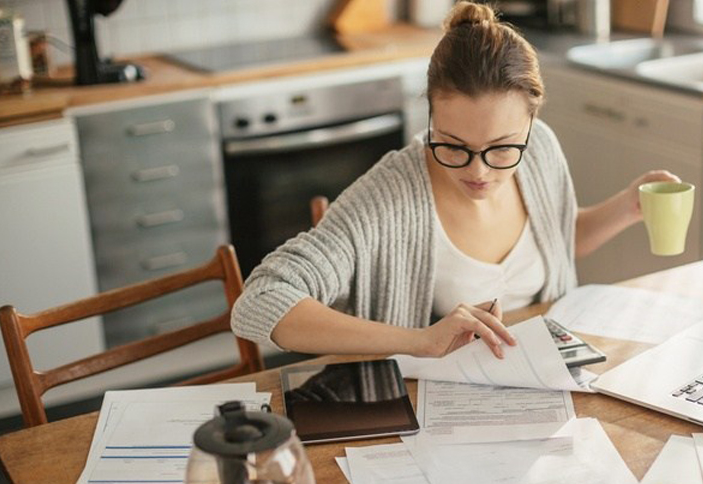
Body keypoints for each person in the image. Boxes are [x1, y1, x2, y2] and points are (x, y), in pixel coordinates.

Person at [231, 2, 679, 360]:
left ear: (531, 121)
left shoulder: (540, 148)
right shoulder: (390, 196)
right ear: (430, 115)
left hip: (544, 382)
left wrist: (627, 206)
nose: (478, 171)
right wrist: (419, 341)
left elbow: (558, 237)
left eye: (503, 148)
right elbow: (261, 301)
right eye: (453, 144)